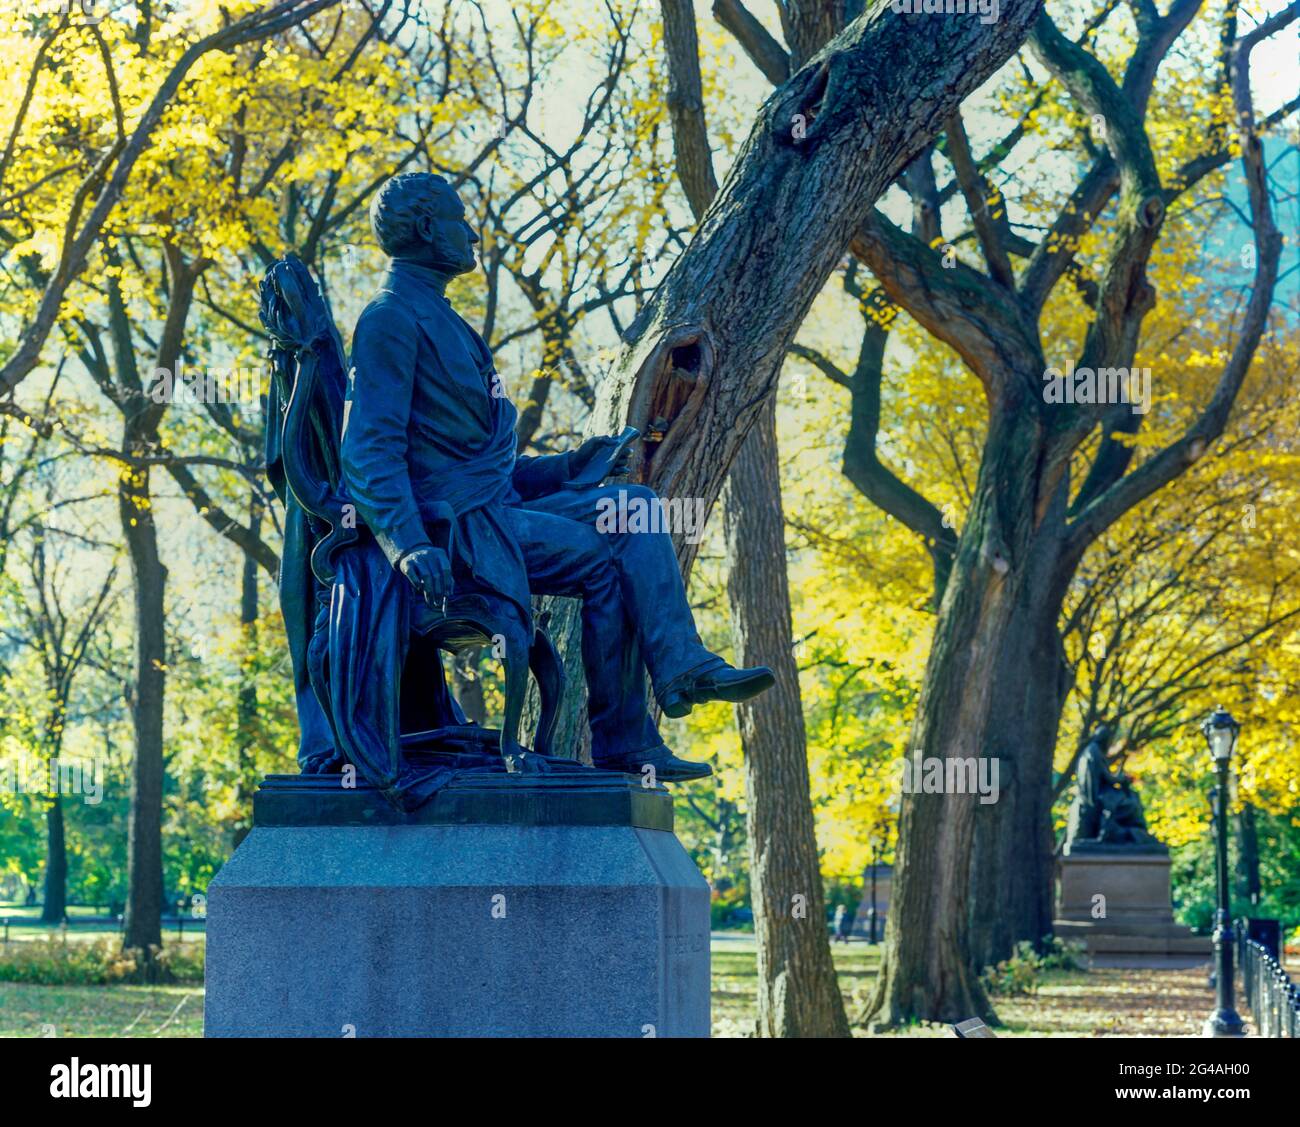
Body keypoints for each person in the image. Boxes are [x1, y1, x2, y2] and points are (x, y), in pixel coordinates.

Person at [341, 172, 775, 781]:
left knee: (635, 507)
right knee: (602, 558)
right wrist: (407, 542)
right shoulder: (390, 319)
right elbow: (368, 450)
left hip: (492, 512)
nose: (470, 232)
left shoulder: (450, 324)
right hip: (449, 533)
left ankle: (682, 669)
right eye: (458, 218)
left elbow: (493, 475)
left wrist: (574, 466)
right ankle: (628, 741)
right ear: (422, 229)